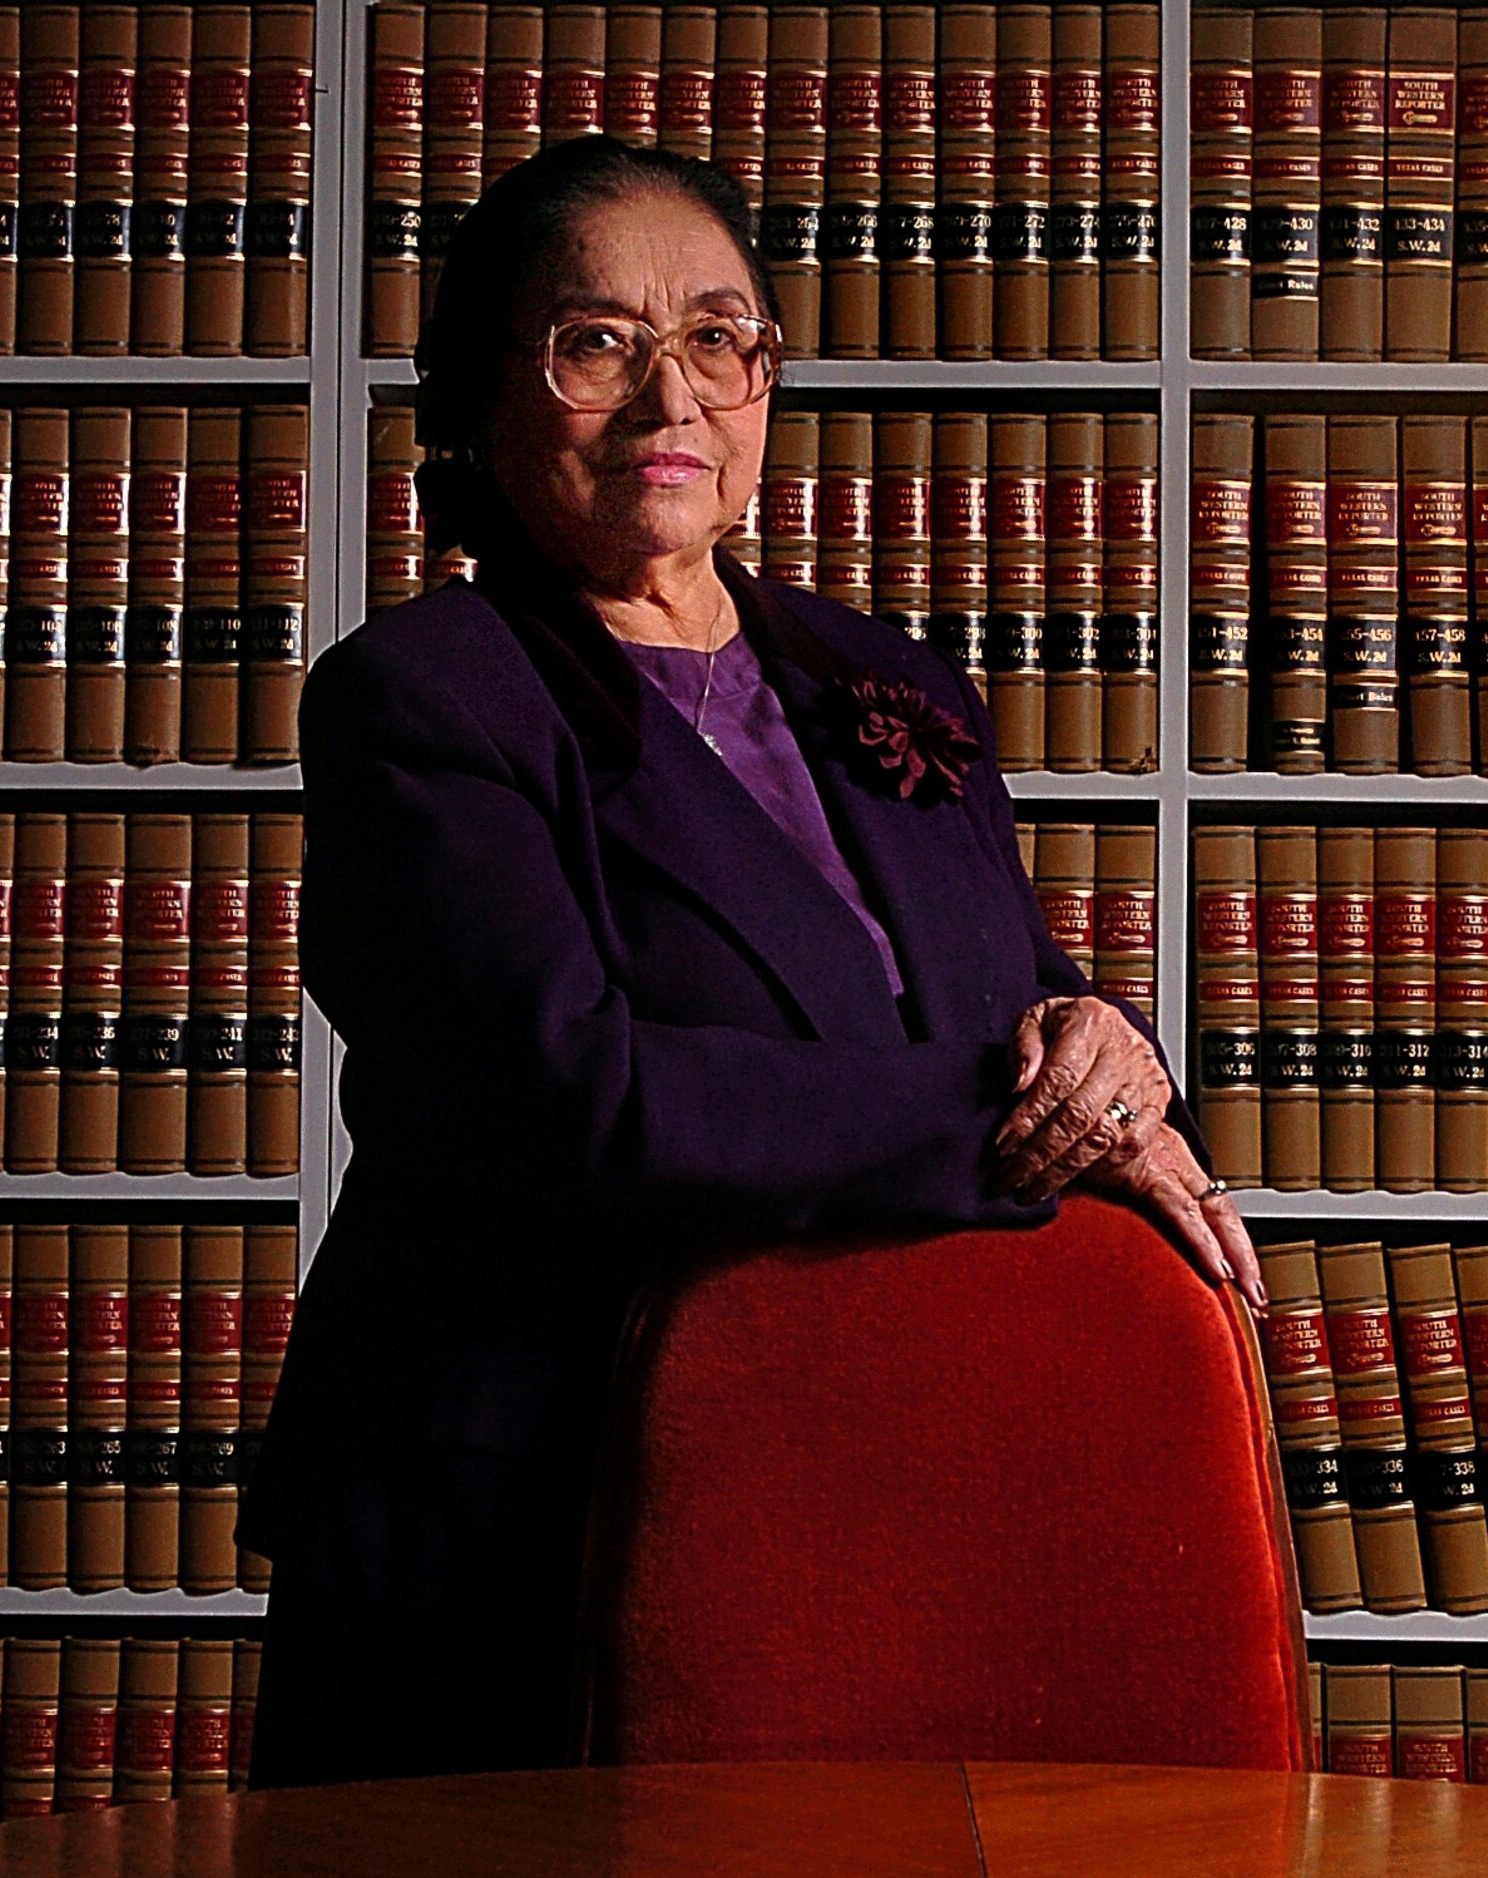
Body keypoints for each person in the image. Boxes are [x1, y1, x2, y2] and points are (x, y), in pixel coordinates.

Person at [238, 134, 1260, 1791]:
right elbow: (582, 1094)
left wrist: (1109, 1048)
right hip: (515, 1510)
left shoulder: (889, 681)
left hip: (850, 1483)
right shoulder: (424, 698)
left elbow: (1012, 986)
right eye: (596, 343)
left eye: (717, 338)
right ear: (478, 396)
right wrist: (1027, 1121)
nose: (670, 401)